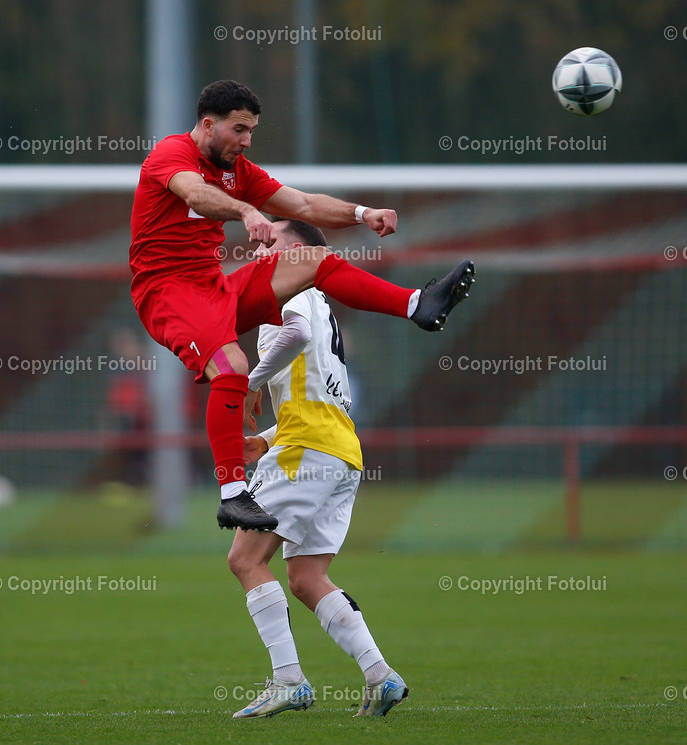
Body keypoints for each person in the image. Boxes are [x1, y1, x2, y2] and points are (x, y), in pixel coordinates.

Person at [130, 80, 474, 533]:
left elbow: (305, 204)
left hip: (214, 288)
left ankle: (417, 305)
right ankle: (233, 494)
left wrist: (360, 214)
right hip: (167, 293)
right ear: (208, 124)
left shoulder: (239, 171)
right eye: (239, 129)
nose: (247, 140)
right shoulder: (171, 153)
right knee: (233, 366)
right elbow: (195, 194)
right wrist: (247, 213)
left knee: (317, 259)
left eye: (252, 130)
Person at [227, 220, 411, 719]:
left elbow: (296, 333)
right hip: (338, 451)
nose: (263, 245)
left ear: (302, 252)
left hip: (310, 450)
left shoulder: (293, 283)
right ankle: (381, 676)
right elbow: (318, 396)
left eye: (275, 240)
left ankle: (288, 680)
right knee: (307, 577)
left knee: (245, 560)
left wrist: (249, 382)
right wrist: (264, 441)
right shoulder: (320, 300)